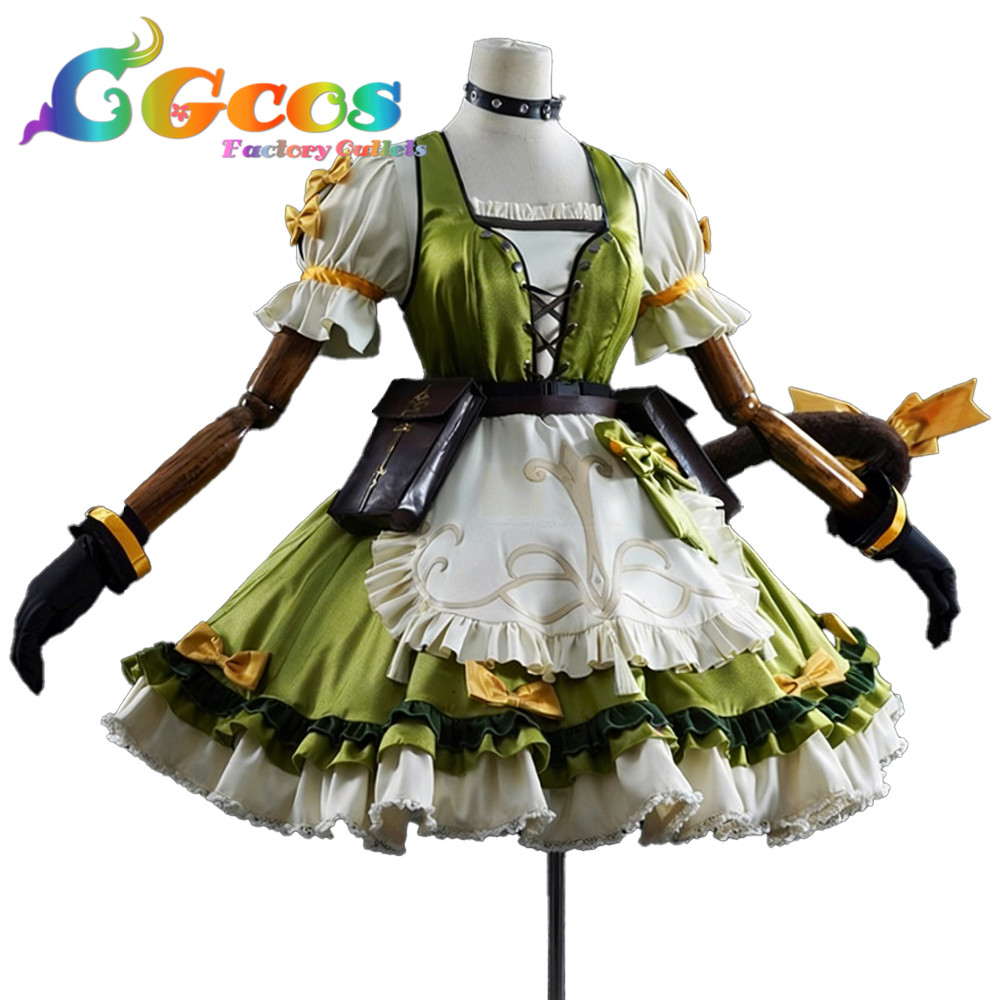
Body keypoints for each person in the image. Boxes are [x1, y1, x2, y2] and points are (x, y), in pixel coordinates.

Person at [11, 38, 958, 853]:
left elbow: (746, 407)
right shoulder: (394, 182)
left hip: (629, 516)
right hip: (443, 500)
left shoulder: (640, 192)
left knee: (656, 707)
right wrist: (104, 548)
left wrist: (897, 536)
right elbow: (259, 405)